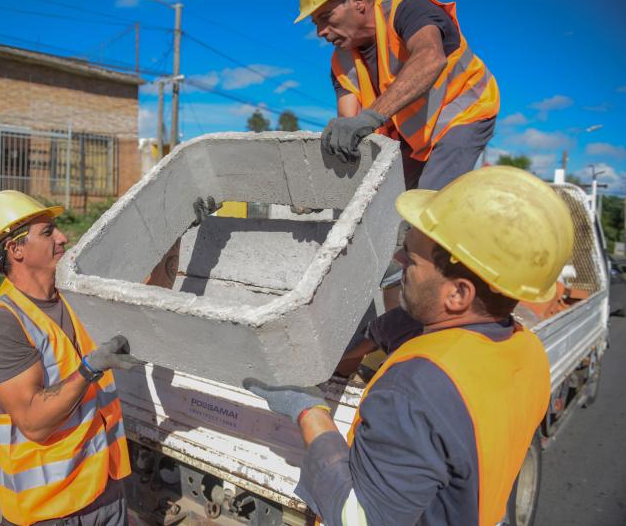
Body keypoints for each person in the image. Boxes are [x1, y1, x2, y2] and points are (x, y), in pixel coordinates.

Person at [245, 166, 575, 525]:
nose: (399, 261)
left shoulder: (413, 391)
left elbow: (357, 518)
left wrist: (308, 408)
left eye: (412, 258)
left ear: (458, 293)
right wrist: (373, 338)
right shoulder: (526, 351)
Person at [0, 190, 144, 526]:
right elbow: (34, 422)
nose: (63, 238)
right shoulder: (1, 325)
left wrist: (179, 237)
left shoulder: (75, 297)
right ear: (15, 249)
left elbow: (144, 304)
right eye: (47, 232)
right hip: (51, 512)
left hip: (105, 490)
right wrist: (90, 369)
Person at [296, 0, 499, 192]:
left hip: (464, 109)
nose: (320, 31)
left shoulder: (407, 9)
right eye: (315, 23)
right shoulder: (341, 60)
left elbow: (430, 58)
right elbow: (350, 123)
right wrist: (325, 187)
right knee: (384, 196)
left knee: (428, 201)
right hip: (414, 135)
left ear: (358, 0)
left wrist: (369, 118)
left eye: (325, 17)